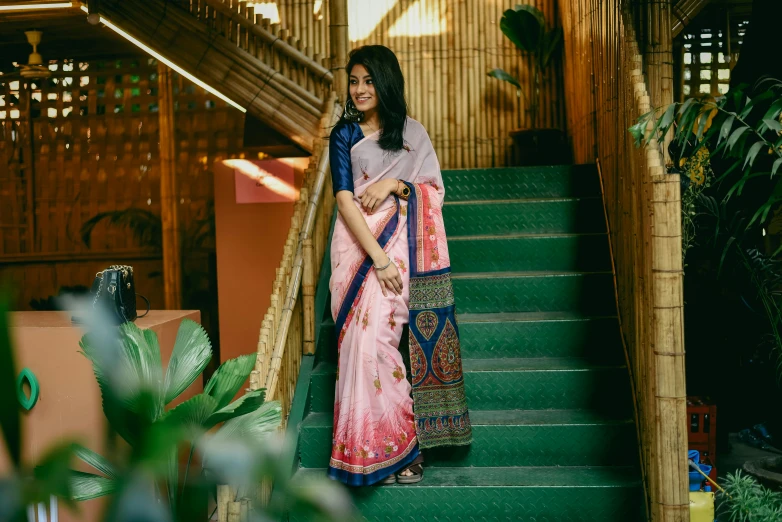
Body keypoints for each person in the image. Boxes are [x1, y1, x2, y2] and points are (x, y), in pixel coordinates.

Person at [326, 45, 472, 487]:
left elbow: (433, 191)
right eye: (354, 81)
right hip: (358, 250)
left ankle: (400, 447)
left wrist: (394, 183)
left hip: (406, 244)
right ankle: (375, 451)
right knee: (360, 344)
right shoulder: (345, 134)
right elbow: (344, 200)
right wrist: (378, 256)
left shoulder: (413, 134)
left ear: (385, 82)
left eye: (369, 80)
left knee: (380, 342)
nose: (359, 89)